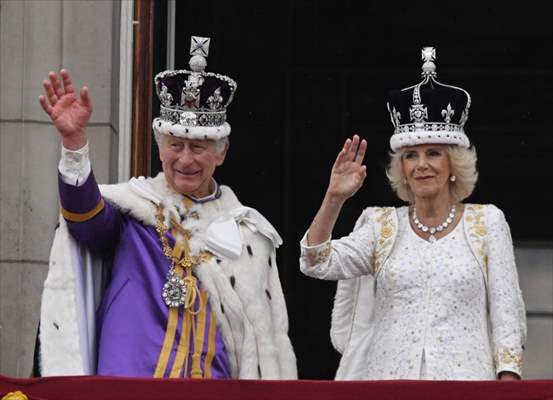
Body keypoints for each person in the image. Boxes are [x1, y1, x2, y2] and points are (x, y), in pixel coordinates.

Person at [36, 36, 297, 379]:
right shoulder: (136, 209)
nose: (185, 159)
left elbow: (260, 345)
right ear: (160, 149)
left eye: (198, 147)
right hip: (131, 384)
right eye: (175, 145)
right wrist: (74, 146)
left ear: (221, 152)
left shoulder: (246, 233)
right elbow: (86, 220)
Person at [299, 47, 526, 380]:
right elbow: (316, 262)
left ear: (453, 164)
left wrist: (508, 380)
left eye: (433, 153)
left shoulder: (487, 222)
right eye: (410, 156)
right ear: (401, 168)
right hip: (388, 382)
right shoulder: (381, 226)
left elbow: (507, 315)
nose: (421, 165)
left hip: (466, 386)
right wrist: (334, 198)